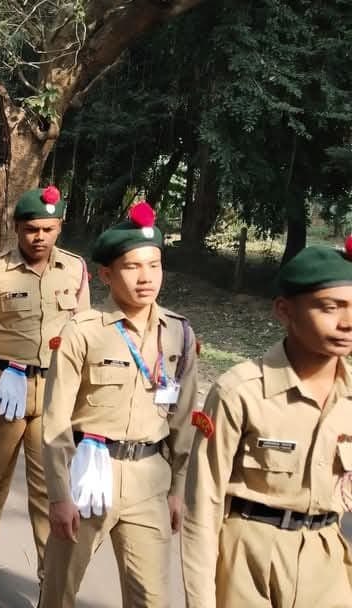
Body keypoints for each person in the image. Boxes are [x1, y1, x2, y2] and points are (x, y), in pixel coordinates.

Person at [38, 202, 198, 607]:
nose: (146, 278)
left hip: (150, 478)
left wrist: (178, 489)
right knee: (59, 589)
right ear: (106, 275)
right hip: (90, 474)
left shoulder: (179, 334)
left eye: (155, 265)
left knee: (151, 597)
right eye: (132, 267)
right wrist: (58, 495)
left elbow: (182, 420)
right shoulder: (83, 331)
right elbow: (56, 420)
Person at [182, 241, 352, 608]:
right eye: (329, 307)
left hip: (327, 563)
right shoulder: (240, 392)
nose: (347, 322)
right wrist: (200, 600)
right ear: (284, 311)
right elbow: (203, 505)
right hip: (249, 559)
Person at [0, 186, 90, 587]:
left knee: (48, 482)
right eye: (32, 229)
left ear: (59, 228)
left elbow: (84, 335)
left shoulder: (75, 269)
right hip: (2, 384)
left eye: (49, 229)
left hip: (54, 389)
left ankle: (49, 569)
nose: (40, 237)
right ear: (16, 228)